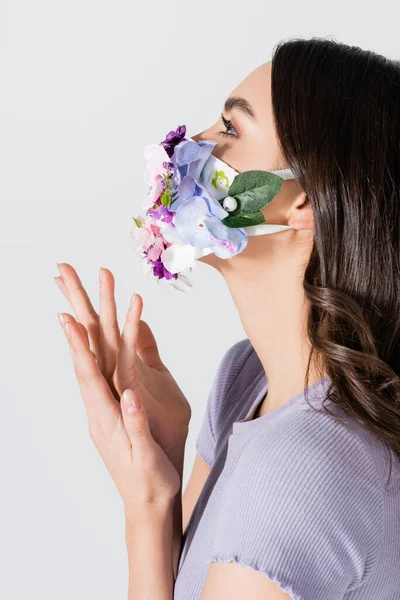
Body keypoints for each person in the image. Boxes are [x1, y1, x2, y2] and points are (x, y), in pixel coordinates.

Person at [55, 36, 400, 599]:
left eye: (231, 130)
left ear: (304, 202)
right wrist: (150, 499)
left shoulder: (297, 468)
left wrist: (143, 505)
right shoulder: (248, 379)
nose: (192, 145)